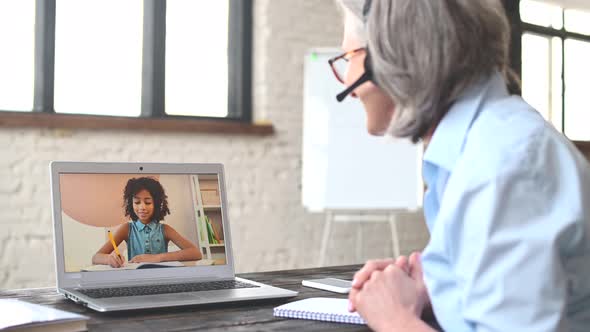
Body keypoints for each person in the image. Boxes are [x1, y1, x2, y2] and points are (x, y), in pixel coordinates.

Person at [334, 0, 590, 331]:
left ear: (395, 56)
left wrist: (394, 318)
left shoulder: (502, 165)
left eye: (349, 58)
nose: (345, 83)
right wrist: (440, 288)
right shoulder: (479, 148)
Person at [92, 177, 202, 268]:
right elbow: (96, 257)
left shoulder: (165, 229)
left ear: (157, 204)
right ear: (131, 204)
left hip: (162, 278)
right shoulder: (127, 229)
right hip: (135, 279)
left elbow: (196, 253)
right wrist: (109, 259)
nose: (142, 207)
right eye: (137, 202)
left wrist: (158, 258)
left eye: (148, 202)